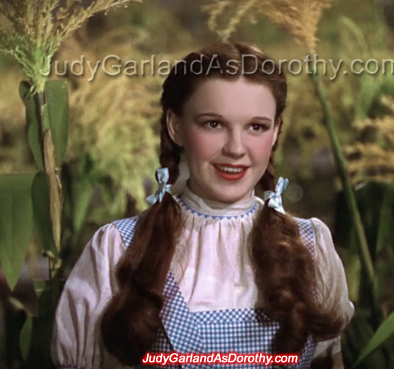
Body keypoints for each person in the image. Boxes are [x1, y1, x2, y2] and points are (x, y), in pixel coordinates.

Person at [51, 42, 355, 369]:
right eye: (213, 123)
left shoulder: (311, 247)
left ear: (276, 130)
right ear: (176, 127)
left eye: (256, 126)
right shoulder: (118, 248)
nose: (236, 148)